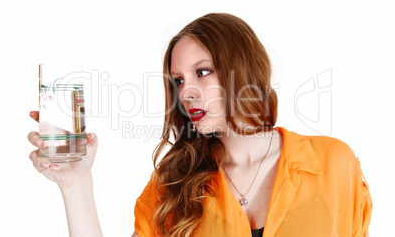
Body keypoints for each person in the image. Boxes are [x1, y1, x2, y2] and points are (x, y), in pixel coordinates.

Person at [28, 13, 372, 237]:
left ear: (244, 68)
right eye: (177, 80)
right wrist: (75, 184)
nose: (186, 92)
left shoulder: (333, 163)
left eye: (202, 72)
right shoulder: (174, 181)